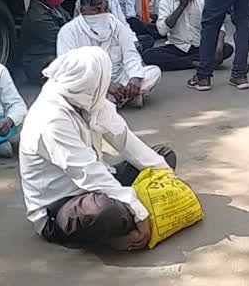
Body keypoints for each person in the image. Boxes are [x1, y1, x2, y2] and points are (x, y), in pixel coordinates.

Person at [19, 47, 176, 250]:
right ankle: (116, 232)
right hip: (62, 205)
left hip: (99, 183)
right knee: (106, 212)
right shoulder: (50, 120)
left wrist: (167, 176)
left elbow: (126, 140)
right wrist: (139, 211)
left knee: (163, 156)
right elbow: (87, 173)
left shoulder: (87, 98)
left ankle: (129, 218)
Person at [58, 0, 162, 108]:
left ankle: (111, 101)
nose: (102, 13)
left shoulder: (116, 25)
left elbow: (131, 54)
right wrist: (106, 86)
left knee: (153, 72)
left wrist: (135, 78)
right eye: (96, 10)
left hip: (119, 77)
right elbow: (70, 69)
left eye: (106, 9)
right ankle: (120, 99)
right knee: (70, 89)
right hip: (90, 82)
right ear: (82, 11)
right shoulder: (69, 31)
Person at [143, 0, 232, 71]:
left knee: (227, 49)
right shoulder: (165, 2)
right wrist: (182, 6)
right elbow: (162, 30)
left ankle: (187, 62)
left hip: (200, 45)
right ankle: (192, 63)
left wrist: (219, 47)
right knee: (149, 55)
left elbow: (217, 23)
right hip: (177, 47)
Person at [21, 0, 71, 85]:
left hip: (53, 53)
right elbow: (62, 39)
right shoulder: (37, 17)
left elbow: (71, 24)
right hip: (40, 62)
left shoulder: (54, 7)